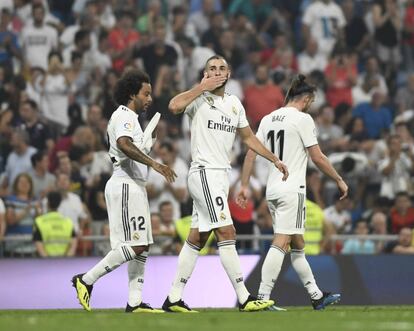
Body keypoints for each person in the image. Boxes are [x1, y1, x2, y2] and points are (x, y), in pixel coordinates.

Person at [163, 55, 288, 313]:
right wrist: (201, 87)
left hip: (221, 177)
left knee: (197, 237)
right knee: (227, 232)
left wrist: (274, 159)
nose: (217, 72)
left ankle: (173, 297)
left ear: (229, 73)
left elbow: (248, 138)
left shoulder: (234, 104)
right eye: (212, 69)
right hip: (204, 173)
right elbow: (173, 106)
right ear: (205, 73)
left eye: (221, 68)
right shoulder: (197, 98)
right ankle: (244, 298)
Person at [237, 74, 348, 310]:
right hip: (292, 189)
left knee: (298, 244)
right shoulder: (302, 119)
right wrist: (338, 178)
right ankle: (263, 297)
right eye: (312, 101)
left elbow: (250, 153)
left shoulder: (268, 118)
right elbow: (317, 157)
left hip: (273, 190)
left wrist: (244, 185)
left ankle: (316, 296)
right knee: (282, 242)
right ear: (307, 99)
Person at [72, 69, 177, 313]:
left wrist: (148, 144)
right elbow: (123, 144)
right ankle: (85, 280)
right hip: (125, 184)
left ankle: (135, 302)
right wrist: (154, 163)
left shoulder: (132, 120)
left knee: (143, 245)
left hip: (134, 186)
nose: (150, 98)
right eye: (146, 93)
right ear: (132, 94)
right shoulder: (125, 115)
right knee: (136, 245)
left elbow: (130, 145)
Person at [33, 191, 77, 257]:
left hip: (45, 263)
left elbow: (39, 244)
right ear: (60, 203)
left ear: (47, 203)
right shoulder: (68, 222)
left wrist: (48, 260)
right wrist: (66, 259)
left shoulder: (39, 221)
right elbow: (73, 245)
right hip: (65, 263)